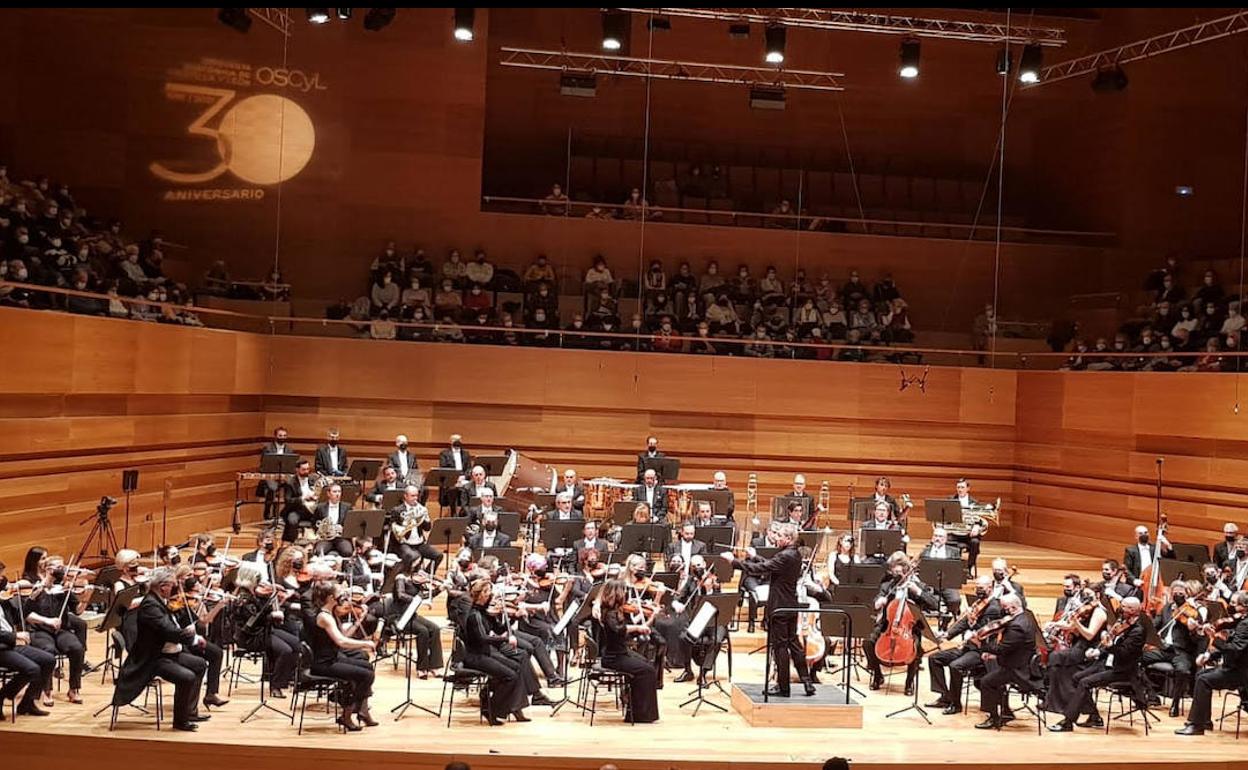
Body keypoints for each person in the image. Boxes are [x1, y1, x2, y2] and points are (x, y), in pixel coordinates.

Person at [723, 522, 816, 697]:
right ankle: (807, 682)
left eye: (780, 536)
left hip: (779, 606)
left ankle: (783, 687)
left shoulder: (785, 555)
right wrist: (756, 555)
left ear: (788, 538)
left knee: (780, 646)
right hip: (790, 604)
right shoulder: (793, 554)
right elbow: (772, 565)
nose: (776, 538)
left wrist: (734, 562)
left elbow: (762, 569)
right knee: (794, 644)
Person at [111, 567, 208, 731]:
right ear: (163, 586)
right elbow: (168, 630)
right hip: (153, 659)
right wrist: (193, 638)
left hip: (168, 654)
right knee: (187, 677)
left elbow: (173, 623)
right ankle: (180, 721)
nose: (175, 588)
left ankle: (189, 712)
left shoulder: (160, 601)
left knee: (199, 664)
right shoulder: (150, 606)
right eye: (173, 585)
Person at [1049, 597, 1147, 732]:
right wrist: (1098, 652)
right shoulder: (1123, 623)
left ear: (1133, 610)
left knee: (1084, 682)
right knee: (1076, 677)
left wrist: (1110, 646)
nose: (1119, 609)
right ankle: (1095, 717)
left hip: (1123, 671)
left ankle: (1068, 721)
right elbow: (1111, 648)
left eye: (1123, 607)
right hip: (1109, 665)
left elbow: (1124, 654)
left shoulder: (1137, 631)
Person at [864, 551, 938, 694]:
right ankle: (878, 675)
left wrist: (917, 592)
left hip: (909, 628)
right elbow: (876, 601)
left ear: (906, 570)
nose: (897, 575)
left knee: (916, 649)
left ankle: (909, 682)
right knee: (868, 642)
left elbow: (934, 604)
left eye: (899, 571)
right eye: (894, 571)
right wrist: (879, 602)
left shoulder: (918, 585)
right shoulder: (888, 586)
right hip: (888, 625)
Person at [1175, 590, 1248, 735]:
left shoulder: (1245, 625)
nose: (1230, 607)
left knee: (1203, 679)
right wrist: (1210, 656)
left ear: (1244, 606)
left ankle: (1196, 725)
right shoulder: (1240, 621)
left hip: (1241, 672)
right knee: (1201, 675)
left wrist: (1214, 638)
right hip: (1234, 667)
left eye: (1234, 604)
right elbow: (1230, 645)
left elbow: (1235, 650)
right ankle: (1204, 721)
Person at [463, 578, 534, 725]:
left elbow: (500, 629)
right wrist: (505, 640)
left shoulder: (484, 612)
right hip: (476, 657)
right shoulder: (474, 615)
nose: (491, 595)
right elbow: (483, 638)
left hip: (485, 654)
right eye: (487, 591)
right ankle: (491, 709)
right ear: (480, 595)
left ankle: (500, 702)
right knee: (510, 676)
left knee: (517, 667)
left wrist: (514, 617)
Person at [927, 575, 1002, 715]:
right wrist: (947, 634)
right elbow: (964, 622)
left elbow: (983, 631)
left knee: (955, 666)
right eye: (976, 587)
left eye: (981, 588)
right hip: (969, 647)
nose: (977, 590)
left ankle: (956, 704)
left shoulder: (993, 608)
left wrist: (971, 628)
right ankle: (945, 696)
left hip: (981, 650)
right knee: (934, 658)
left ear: (990, 588)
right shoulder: (979, 604)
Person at [308, 582, 377, 730]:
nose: (344, 597)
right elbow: (340, 641)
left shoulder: (332, 613)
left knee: (367, 667)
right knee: (366, 676)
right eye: (340, 594)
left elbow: (342, 636)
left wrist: (361, 617)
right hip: (323, 664)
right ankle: (348, 715)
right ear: (332, 598)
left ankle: (361, 711)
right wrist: (365, 644)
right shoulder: (324, 617)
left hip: (333, 658)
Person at [595, 579, 661, 722]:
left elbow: (628, 633)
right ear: (616, 594)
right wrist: (636, 628)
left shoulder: (617, 611)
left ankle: (639, 710)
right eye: (623, 591)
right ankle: (638, 715)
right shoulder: (608, 613)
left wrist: (649, 620)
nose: (626, 594)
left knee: (646, 663)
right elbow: (619, 630)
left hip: (620, 652)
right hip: (614, 657)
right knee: (646, 671)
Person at [1142, 579, 1206, 717]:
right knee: (1136, 657)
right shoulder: (1166, 608)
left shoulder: (1192, 612)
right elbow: (1155, 625)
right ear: (1171, 594)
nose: (1178, 596)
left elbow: (1198, 640)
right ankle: (1152, 694)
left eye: (1181, 593)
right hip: (1163, 649)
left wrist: (1192, 630)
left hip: (1181, 652)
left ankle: (1175, 703)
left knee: (1183, 671)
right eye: (1175, 593)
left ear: (1186, 595)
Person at [974, 594, 1037, 730]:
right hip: (1017, 662)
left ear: (1013, 608)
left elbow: (1001, 649)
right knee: (992, 679)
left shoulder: (1017, 627)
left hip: (1017, 670)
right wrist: (993, 656)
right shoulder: (1026, 617)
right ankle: (1006, 712)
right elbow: (1013, 648)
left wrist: (981, 643)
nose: (1002, 611)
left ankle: (994, 718)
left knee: (986, 682)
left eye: (1004, 607)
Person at [388, 484, 440, 572]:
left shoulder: (421, 509)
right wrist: (405, 525)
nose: (415, 498)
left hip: (419, 543)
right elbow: (392, 531)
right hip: (404, 544)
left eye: (416, 495)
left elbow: (427, 529)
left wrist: (426, 517)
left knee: (438, 556)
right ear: (405, 496)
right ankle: (406, 575)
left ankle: (424, 576)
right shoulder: (397, 510)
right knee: (413, 556)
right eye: (412, 496)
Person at [919, 527, 963, 627]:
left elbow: (957, 570)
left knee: (955, 600)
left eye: (941, 536)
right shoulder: (925, 551)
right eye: (936, 536)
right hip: (928, 583)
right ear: (932, 538)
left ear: (946, 539)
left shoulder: (954, 551)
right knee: (917, 595)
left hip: (946, 583)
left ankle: (946, 621)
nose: (938, 538)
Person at [312, 483, 353, 558]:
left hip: (341, 538)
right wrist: (322, 531)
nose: (337, 494)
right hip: (326, 539)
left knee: (348, 552)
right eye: (334, 492)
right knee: (318, 551)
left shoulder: (347, 507)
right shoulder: (320, 507)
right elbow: (314, 523)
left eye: (339, 491)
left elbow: (351, 525)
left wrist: (343, 529)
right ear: (328, 493)